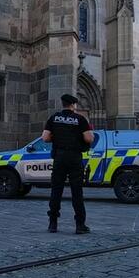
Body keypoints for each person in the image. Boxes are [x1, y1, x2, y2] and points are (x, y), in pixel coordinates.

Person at [43, 94, 93, 234]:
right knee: (77, 191)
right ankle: (80, 225)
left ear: (63, 104)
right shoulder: (80, 119)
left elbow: (45, 138)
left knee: (56, 190)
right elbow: (89, 139)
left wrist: (56, 138)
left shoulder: (54, 118)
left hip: (59, 157)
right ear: (73, 105)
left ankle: (53, 224)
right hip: (74, 157)